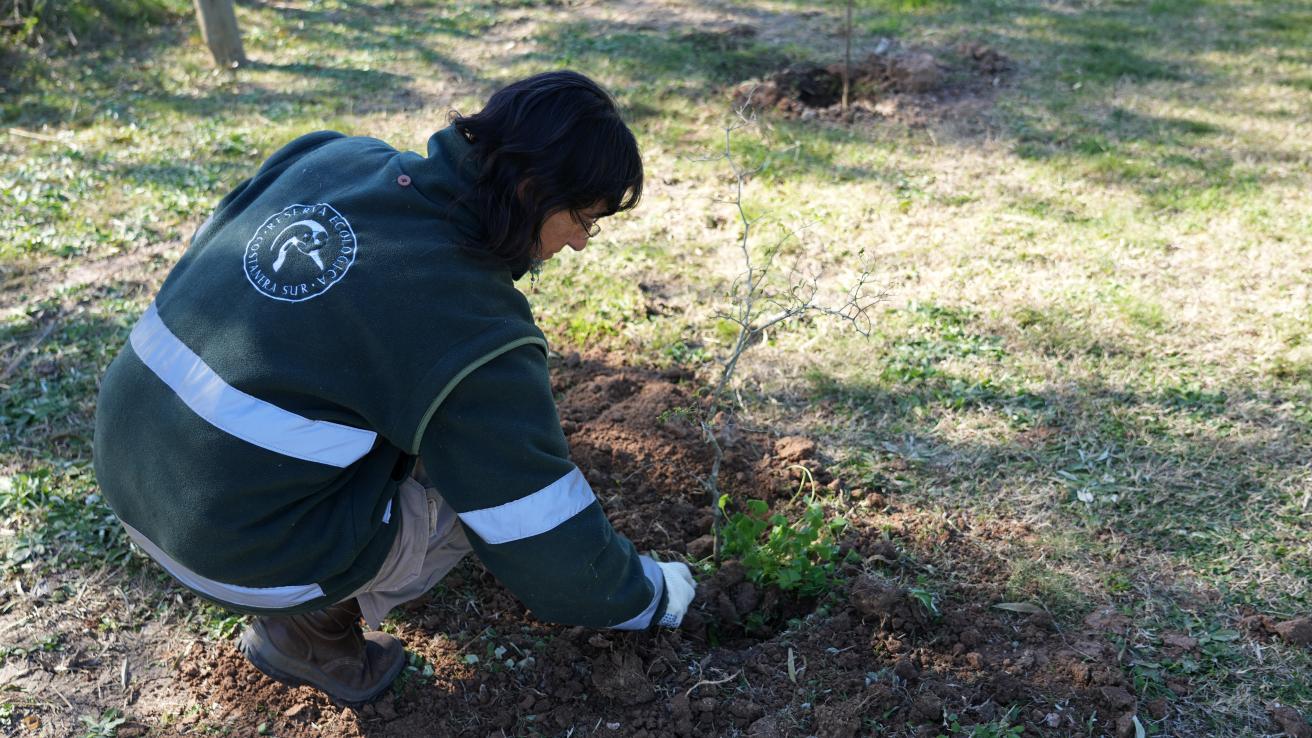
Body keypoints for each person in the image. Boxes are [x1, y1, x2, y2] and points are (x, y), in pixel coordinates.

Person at [92, 70, 697, 706]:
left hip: (129, 465)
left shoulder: (328, 155)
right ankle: (311, 632)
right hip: (225, 542)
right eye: (582, 218)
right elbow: (541, 538)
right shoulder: (471, 322)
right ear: (529, 188)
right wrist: (653, 593)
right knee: (476, 482)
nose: (578, 242)